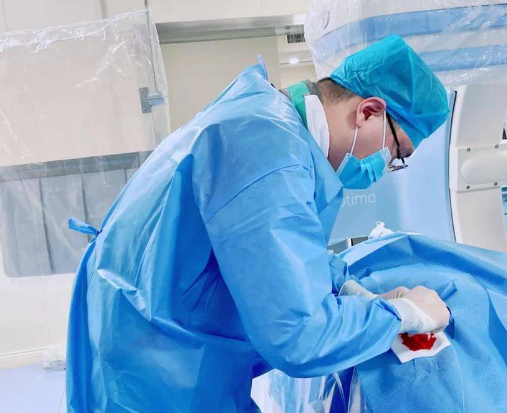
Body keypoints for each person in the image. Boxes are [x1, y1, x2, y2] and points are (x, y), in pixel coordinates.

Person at [66, 35, 451, 413]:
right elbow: (301, 338)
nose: (387, 166)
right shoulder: (271, 152)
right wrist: (401, 316)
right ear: (368, 112)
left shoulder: (263, 117)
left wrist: (346, 287)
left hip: (151, 353)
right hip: (158, 376)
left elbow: (270, 252)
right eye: (397, 151)